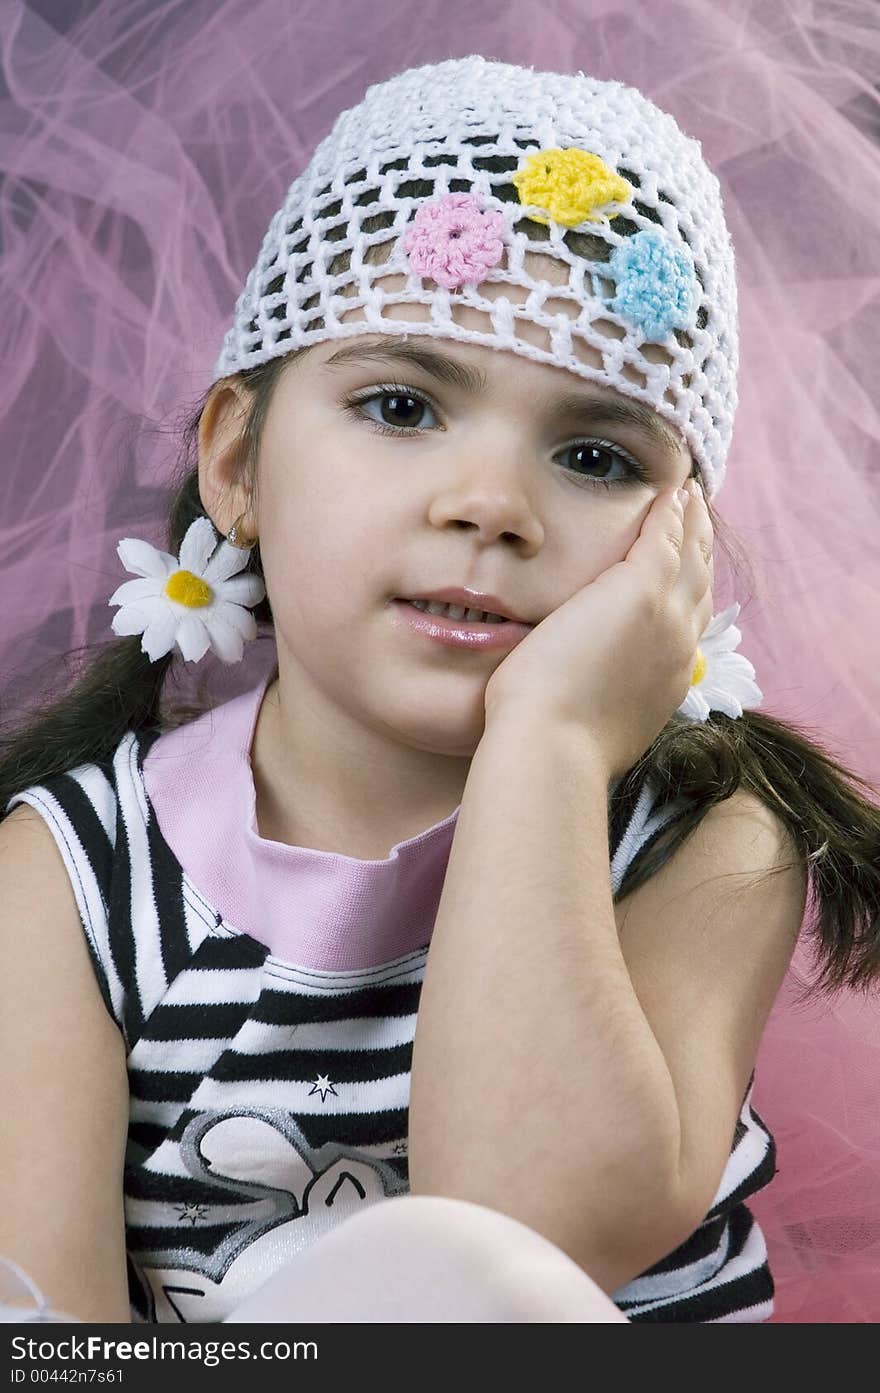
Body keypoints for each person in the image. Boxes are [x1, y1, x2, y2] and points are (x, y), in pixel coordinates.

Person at [0, 55, 877, 1326]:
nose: (491, 506)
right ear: (240, 463)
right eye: (401, 405)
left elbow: (528, 1224)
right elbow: (54, 1347)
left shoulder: (704, 840)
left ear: (675, 545)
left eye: (591, 454)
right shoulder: (71, 877)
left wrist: (554, 744)